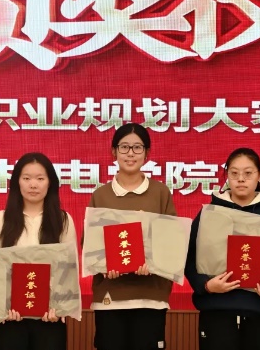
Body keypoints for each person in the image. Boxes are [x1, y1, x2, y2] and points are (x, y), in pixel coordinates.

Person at [184, 148, 260, 350]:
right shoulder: (210, 214)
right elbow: (189, 258)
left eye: (248, 173)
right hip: (217, 311)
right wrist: (206, 286)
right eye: (234, 173)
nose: (241, 179)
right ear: (226, 175)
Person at [87, 123, 176, 350]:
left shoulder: (160, 193)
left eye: (137, 147)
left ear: (147, 153)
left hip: (150, 297)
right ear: (113, 152)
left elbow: (171, 241)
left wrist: (153, 262)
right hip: (110, 298)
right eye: (124, 147)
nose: (130, 153)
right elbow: (90, 243)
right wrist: (105, 265)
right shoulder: (101, 195)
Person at [0, 152, 77, 350]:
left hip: (49, 317)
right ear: (17, 182)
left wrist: (58, 307)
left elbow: (68, 270)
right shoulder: (0, 219)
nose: (33, 185)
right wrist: (2, 307)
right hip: (10, 317)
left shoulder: (63, 220)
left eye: (40, 179)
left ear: (50, 183)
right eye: (26, 178)